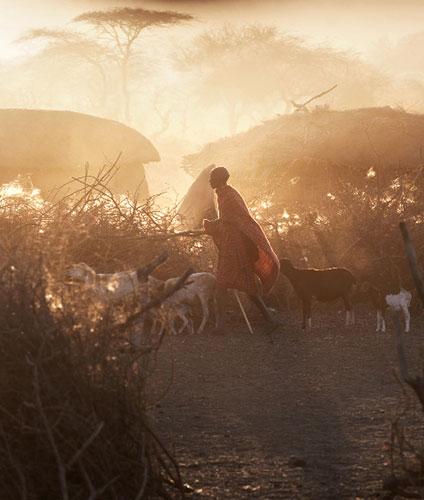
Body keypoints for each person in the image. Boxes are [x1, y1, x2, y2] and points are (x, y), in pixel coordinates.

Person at [203, 166, 280, 334]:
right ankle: (269, 317)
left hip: (236, 247)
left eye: (213, 178)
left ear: (221, 179)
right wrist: (217, 224)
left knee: (222, 285)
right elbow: (229, 220)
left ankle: (221, 326)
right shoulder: (223, 195)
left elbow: (236, 219)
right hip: (232, 245)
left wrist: (215, 223)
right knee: (246, 284)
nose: (210, 181)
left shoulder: (229, 196)